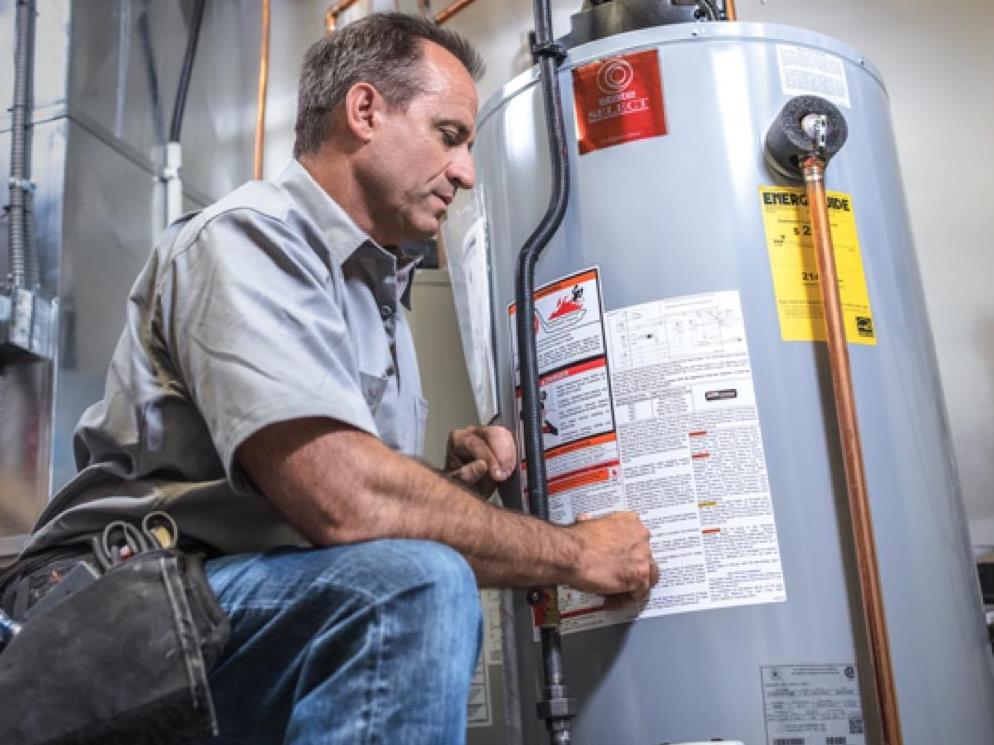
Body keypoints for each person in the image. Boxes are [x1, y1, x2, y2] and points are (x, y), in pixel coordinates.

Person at [8, 12, 658, 744]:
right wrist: (577, 553)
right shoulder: (248, 237)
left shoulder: (373, 294)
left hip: (217, 619)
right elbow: (341, 501)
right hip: (106, 621)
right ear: (365, 110)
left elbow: (338, 516)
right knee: (413, 584)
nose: (467, 172)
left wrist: (446, 490)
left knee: (409, 571)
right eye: (450, 135)